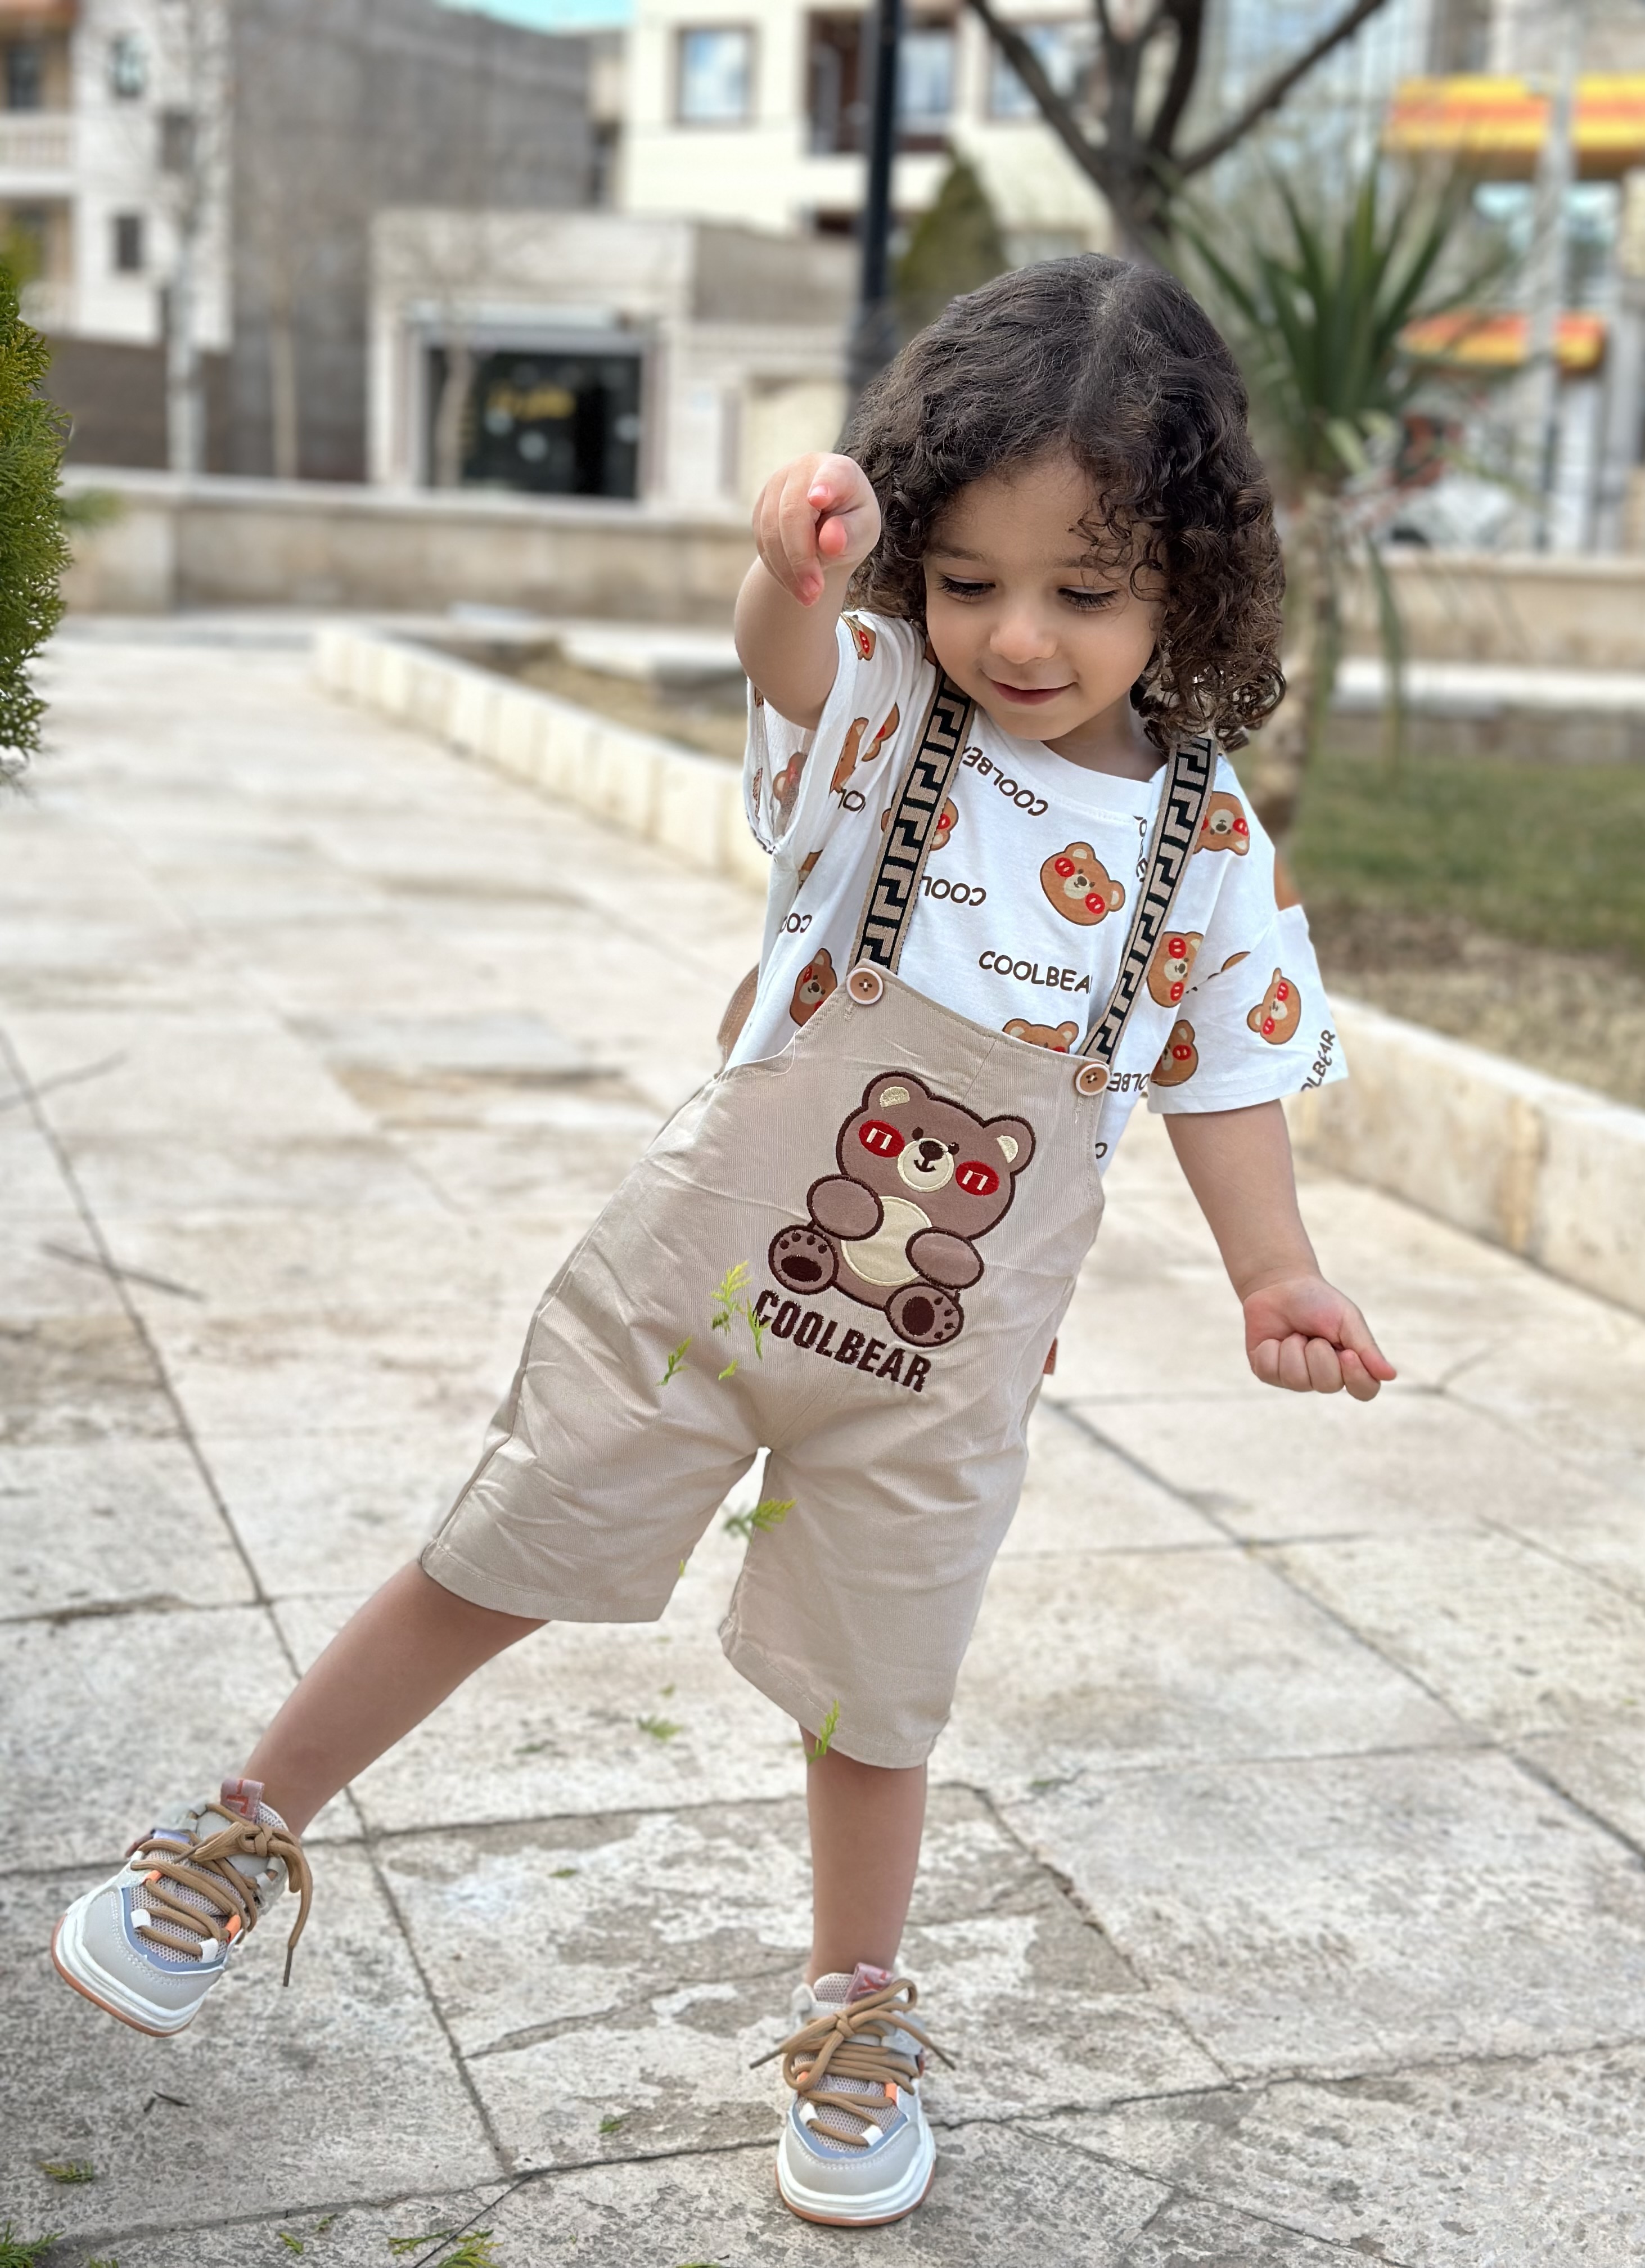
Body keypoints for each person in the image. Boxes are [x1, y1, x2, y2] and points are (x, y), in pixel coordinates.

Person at [51, 258, 1394, 2230]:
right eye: (967, 579)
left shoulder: (1207, 849)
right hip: (704, 1288)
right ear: (913, 565)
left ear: (1190, 583)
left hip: (943, 1363)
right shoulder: (887, 721)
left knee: (881, 1692)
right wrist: (791, 560)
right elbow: (788, 660)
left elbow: (1223, 1078)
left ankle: (854, 2016)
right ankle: (237, 1831)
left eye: (1085, 591)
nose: (1017, 635)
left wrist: (1274, 1273)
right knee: (498, 1548)